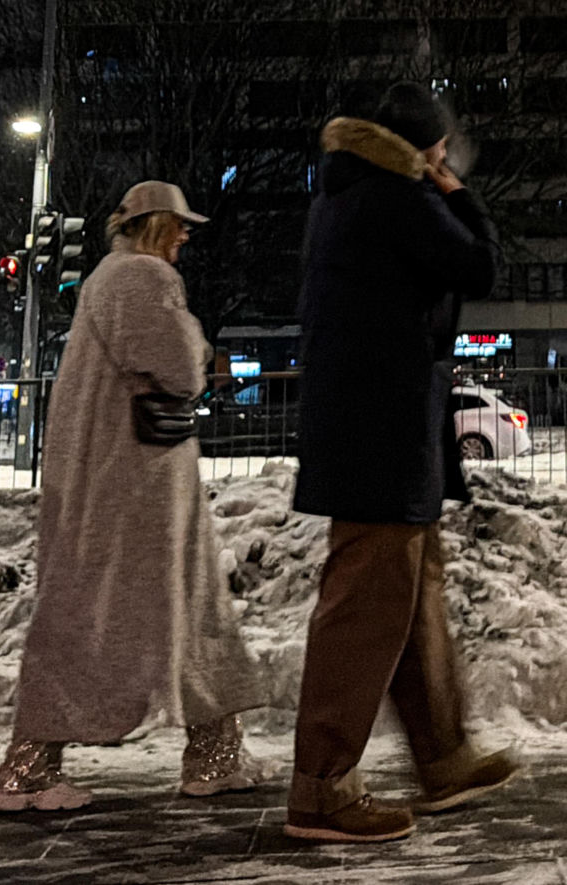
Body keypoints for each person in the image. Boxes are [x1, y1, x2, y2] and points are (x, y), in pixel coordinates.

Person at [0, 181, 269, 812]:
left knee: (156, 606)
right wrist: (197, 343)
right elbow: (181, 366)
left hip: (124, 474)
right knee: (118, 610)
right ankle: (30, 766)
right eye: (180, 225)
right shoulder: (142, 277)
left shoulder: (107, 278)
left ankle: (213, 750)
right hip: (137, 482)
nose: (188, 235)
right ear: (155, 226)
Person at [285, 82, 519, 843]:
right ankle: (321, 786)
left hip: (377, 431)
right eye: (442, 150)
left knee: (411, 598)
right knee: (364, 608)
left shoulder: (349, 194)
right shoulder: (394, 193)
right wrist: (459, 192)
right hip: (382, 434)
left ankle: (442, 756)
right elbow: (481, 266)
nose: (447, 161)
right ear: (424, 148)